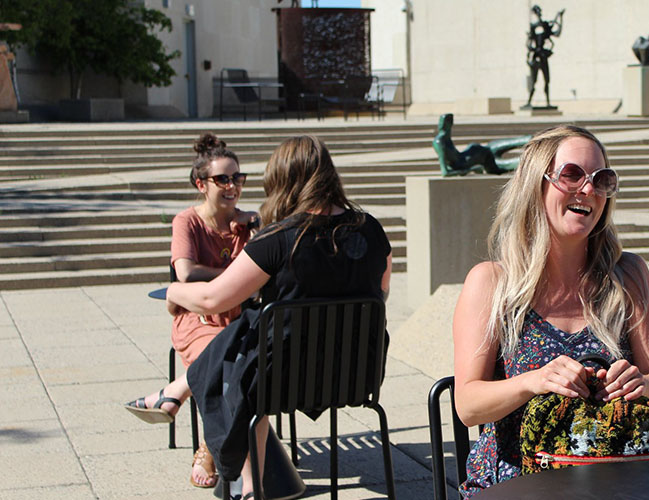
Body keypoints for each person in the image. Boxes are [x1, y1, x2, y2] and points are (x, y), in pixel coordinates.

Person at [125, 135, 393, 499]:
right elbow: (383, 293)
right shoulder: (373, 229)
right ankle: (176, 396)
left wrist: (172, 291)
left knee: (244, 338)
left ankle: (243, 477)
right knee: (251, 323)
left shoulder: (278, 239)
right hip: (355, 373)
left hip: (283, 381)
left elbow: (212, 298)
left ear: (283, 181)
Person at [452, 125, 649, 497]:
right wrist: (533, 381)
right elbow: (468, 406)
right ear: (535, 185)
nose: (588, 190)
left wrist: (636, 383)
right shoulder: (492, 283)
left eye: (601, 179)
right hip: (517, 485)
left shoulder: (629, 275)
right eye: (572, 175)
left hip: (611, 482)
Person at [170, 133, 258, 488]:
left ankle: (206, 438)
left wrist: (257, 230)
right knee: (224, 362)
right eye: (223, 179)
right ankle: (213, 450)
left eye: (237, 177)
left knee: (245, 362)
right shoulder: (187, 221)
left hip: (238, 318)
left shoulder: (247, 223)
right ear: (201, 184)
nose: (232, 186)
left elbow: (265, 272)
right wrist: (233, 276)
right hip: (197, 317)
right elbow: (185, 272)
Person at [432, 113, 530, 176]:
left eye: (447, 121)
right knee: (527, 161)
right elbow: (445, 172)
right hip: (489, 162)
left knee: (528, 139)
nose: (445, 124)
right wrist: (471, 169)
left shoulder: (445, 139)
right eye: (445, 122)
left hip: (488, 149)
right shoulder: (439, 142)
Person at [523, 5, 564, 109]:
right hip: (536, 57)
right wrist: (530, 55)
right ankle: (529, 101)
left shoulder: (545, 26)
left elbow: (557, 33)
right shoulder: (533, 27)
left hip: (543, 57)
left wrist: (560, 18)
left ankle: (548, 102)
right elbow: (529, 43)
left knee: (547, 80)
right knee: (534, 81)